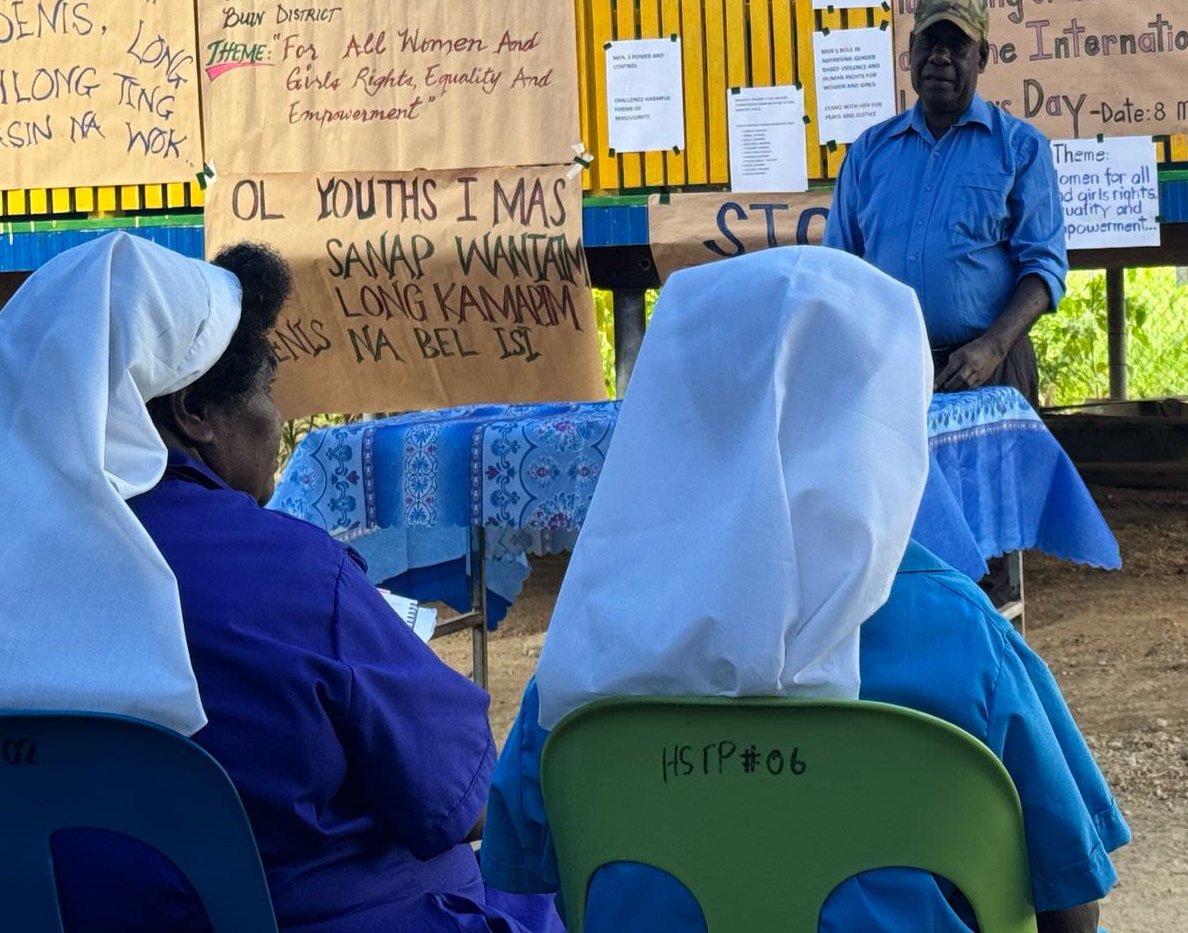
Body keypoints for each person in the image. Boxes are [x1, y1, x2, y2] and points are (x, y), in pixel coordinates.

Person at [0, 232, 556, 933]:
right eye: (268, 392)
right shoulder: (294, 578)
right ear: (195, 414)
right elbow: (460, 798)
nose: (274, 421)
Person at [479, 246, 1127, 933]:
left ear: (677, 401)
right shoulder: (964, 637)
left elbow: (525, 865)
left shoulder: (589, 645)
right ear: (883, 410)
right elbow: (1069, 900)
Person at [826, 0, 1067, 400]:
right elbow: (837, 269)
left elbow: (1044, 268)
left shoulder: (1021, 148)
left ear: (983, 57)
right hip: (889, 372)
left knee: (991, 470)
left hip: (991, 371)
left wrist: (992, 346)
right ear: (911, 51)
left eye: (957, 46)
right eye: (930, 43)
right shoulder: (869, 151)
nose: (940, 57)